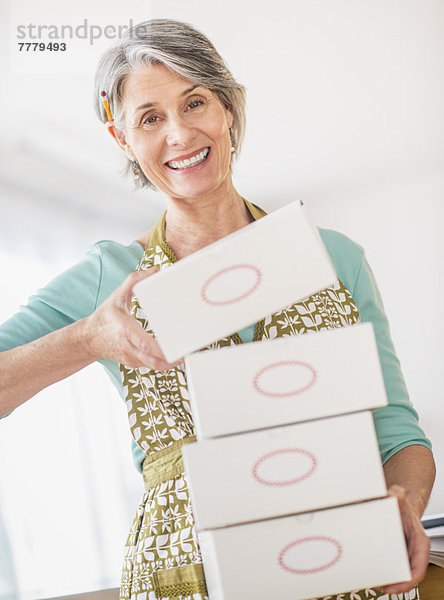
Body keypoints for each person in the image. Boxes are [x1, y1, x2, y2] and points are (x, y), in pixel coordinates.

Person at [0, 18, 435, 600]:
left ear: (228, 108)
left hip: (338, 564)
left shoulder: (332, 257)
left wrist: (401, 501)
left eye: (195, 102)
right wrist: (87, 338)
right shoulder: (110, 279)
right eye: (150, 118)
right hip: (185, 579)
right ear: (123, 139)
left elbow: (397, 432)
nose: (179, 134)